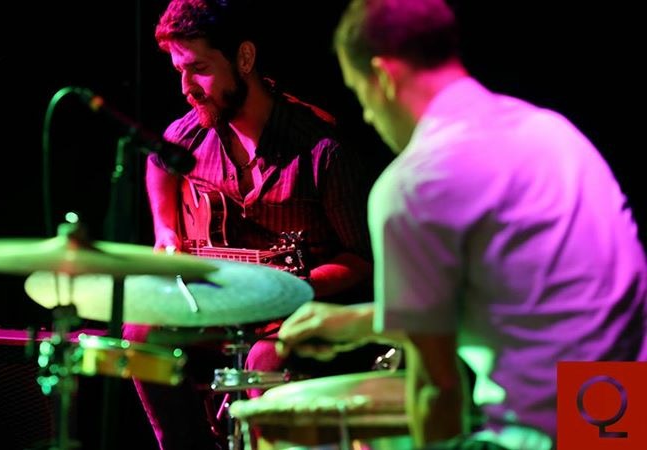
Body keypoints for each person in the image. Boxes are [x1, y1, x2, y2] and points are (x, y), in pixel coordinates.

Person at [276, 0, 647, 449]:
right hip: (617, 421)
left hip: (534, 437)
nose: (370, 118)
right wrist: (360, 322)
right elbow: (535, 307)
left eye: (360, 97)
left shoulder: (415, 184)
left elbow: (438, 388)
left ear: (383, 77)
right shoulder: (556, 135)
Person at [123, 1, 390, 449]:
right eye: (179, 71)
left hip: (301, 316)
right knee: (140, 334)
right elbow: (159, 163)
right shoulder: (190, 134)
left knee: (266, 358)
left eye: (199, 69)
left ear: (243, 59)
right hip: (222, 312)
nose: (187, 87)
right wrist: (166, 230)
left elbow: (362, 260)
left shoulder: (323, 150)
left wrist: (293, 288)